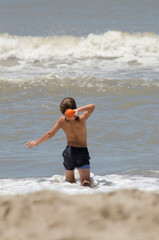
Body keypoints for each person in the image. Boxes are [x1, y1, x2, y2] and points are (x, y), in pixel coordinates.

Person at [25, 97, 95, 187]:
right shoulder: (81, 119)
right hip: (82, 152)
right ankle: (86, 194)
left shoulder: (62, 121)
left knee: (69, 181)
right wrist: (78, 110)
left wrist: (37, 142)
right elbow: (92, 106)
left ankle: (68, 194)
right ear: (74, 108)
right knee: (85, 181)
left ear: (62, 110)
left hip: (69, 153)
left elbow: (50, 134)